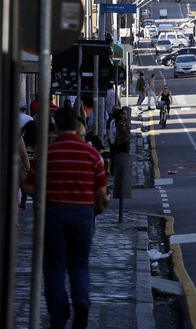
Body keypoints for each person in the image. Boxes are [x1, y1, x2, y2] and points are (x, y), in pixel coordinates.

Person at [23, 105, 108, 329]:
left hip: (54, 214)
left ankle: (59, 318)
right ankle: (81, 302)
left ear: (57, 127)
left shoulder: (46, 153)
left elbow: (28, 187)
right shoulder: (92, 154)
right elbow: (101, 191)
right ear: (78, 127)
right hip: (83, 215)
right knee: (79, 264)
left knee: (54, 267)